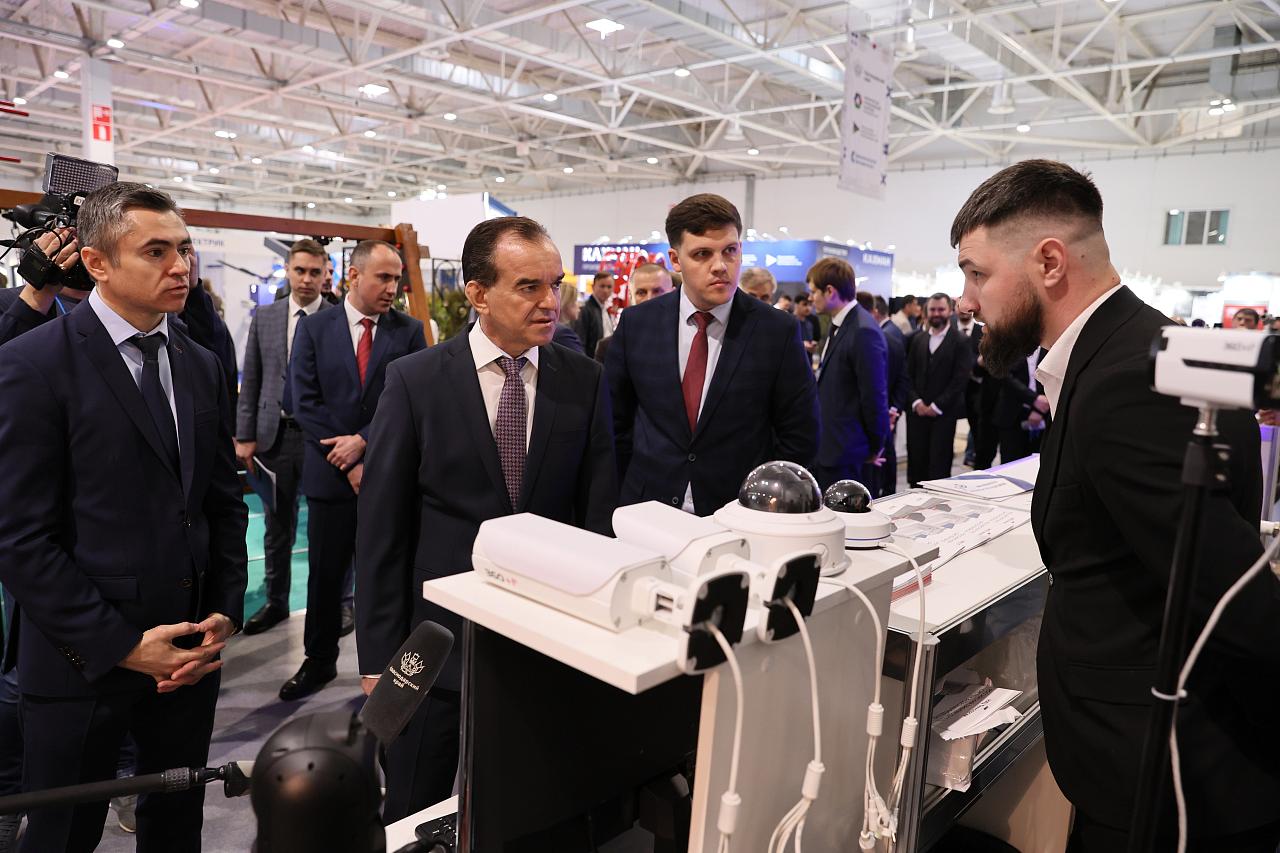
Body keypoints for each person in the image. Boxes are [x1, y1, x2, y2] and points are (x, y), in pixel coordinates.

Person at [953, 159, 1280, 852]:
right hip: (1142, 770)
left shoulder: (1128, 379)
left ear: (1049, 262)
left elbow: (1233, 599)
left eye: (976, 273)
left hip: (1170, 785)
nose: (965, 300)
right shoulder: (1133, 350)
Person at [0, 182, 247, 853]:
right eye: (156, 251)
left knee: (176, 829)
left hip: (189, 658)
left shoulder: (200, 362)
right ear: (97, 262)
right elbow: (20, 539)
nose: (181, 266)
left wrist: (225, 611)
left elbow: (221, 501)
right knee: (63, 835)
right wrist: (123, 646)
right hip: (80, 665)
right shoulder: (32, 364)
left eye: (185, 250)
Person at [355, 216, 616, 821]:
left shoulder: (584, 381)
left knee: (525, 811)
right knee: (413, 810)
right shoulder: (416, 381)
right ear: (478, 293)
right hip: (432, 651)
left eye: (555, 284)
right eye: (529, 286)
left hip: (543, 650)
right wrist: (378, 660)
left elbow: (596, 523)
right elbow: (382, 533)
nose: (550, 301)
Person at [606, 193, 818, 515]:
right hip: (647, 509)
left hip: (738, 513)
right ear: (676, 260)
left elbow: (799, 434)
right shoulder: (638, 323)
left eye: (730, 251)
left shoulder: (776, 330)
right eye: (702, 254)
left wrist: (767, 507)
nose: (720, 266)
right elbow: (615, 421)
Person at [281, 240, 427, 701]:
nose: (393, 287)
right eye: (384, 277)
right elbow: (302, 400)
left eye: (397, 278)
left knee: (387, 576)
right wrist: (346, 459)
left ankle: (391, 669)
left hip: (388, 475)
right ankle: (319, 661)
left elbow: (412, 403)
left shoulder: (409, 331)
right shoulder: (314, 328)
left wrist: (363, 442)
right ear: (354, 276)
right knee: (325, 578)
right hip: (330, 476)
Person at [234, 238, 334, 636]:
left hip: (320, 440)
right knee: (276, 529)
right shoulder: (267, 316)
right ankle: (276, 601)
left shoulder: (336, 318)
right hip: (272, 438)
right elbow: (252, 378)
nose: (307, 279)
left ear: (325, 274)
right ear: (288, 271)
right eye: (300, 270)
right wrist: (244, 435)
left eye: (315, 272)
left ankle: (332, 606)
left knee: (327, 529)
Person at [806, 258, 889, 490]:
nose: (811, 298)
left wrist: (875, 446)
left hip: (849, 454)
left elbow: (874, 396)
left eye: (813, 292)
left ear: (830, 291)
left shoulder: (862, 331)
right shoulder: (840, 325)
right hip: (832, 449)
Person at [905, 292, 973, 486]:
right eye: (932, 309)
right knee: (916, 466)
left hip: (943, 416)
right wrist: (916, 402)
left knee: (939, 468)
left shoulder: (961, 341)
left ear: (950, 311)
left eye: (941, 309)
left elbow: (960, 380)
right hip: (917, 416)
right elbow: (908, 375)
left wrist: (936, 406)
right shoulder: (917, 339)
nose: (936, 313)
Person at [864, 293, 909, 496]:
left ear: (874, 312)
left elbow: (898, 377)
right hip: (888, 411)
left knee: (882, 464)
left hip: (881, 413)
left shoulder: (885, 336)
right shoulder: (891, 333)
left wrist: (892, 410)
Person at [596, 263, 672, 363]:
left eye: (657, 291)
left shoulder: (687, 341)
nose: (649, 299)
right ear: (631, 297)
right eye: (641, 293)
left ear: (672, 294)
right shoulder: (609, 348)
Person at [955, 307, 985, 467]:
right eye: (959, 307)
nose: (963, 311)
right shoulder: (949, 330)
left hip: (977, 391)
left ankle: (975, 460)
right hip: (952, 392)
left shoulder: (982, 331)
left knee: (978, 433)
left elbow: (984, 359)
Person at [575, 271, 614, 359]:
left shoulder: (605, 310)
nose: (605, 290)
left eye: (609, 287)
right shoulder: (585, 310)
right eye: (602, 286)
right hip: (592, 361)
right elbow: (581, 341)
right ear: (593, 287)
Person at [553, 280, 585, 354]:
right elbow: (581, 359)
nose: (579, 305)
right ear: (567, 302)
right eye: (576, 300)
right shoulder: (563, 334)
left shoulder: (553, 329)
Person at [794, 294, 822, 359]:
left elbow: (816, 338)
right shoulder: (789, 320)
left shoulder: (812, 320)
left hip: (808, 358)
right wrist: (801, 344)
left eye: (810, 305)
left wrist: (813, 345)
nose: (808, 308)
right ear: (796, 305)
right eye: (804, 304)